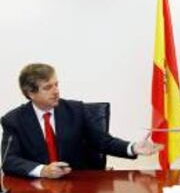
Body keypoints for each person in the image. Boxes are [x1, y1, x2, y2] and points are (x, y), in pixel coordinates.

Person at [1, 63, 163, 179]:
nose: (56, 91)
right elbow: (9, 160)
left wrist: (133, 147)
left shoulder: (75, 110)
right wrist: (42, 170)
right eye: (48, 87)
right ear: (30, 93)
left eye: (56, 84)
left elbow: (103, 141)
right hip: (35, 190)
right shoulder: (14, 120)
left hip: (77, 184)